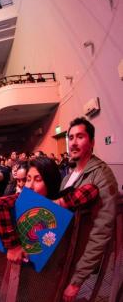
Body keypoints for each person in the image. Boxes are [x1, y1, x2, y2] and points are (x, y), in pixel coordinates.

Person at [0, 157, 99, 271]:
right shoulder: (23, 198)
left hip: (55, 270)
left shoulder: (59, 198)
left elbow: (92, 190)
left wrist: (58, 203)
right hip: (20, 270)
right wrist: (13, 246)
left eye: (37, 179)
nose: (29, 186)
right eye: (28, 179)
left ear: (50, 182)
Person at [60, 117, 118, 302]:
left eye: (80, 137)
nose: (73, 142)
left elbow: (101, 232)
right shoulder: (68, 176)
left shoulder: (101, 175)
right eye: (70, 137)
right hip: (64, 259)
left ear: (92, 142)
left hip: (83, 268)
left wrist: (77, 281)